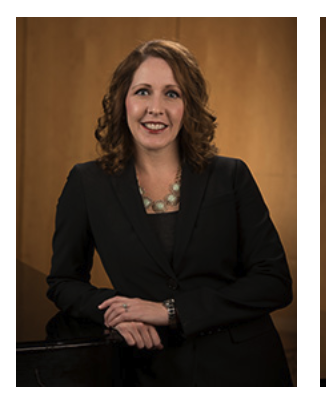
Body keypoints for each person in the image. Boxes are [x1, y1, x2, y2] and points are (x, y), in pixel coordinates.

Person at [46, 40, 293, 386]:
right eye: (143, 91)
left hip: (243, 370)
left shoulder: (231, 176)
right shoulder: (87, 183)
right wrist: (117, 311)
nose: (155, 108)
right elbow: (64, 281)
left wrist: (171, 311)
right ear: (123, 102)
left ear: (188, 106)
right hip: (146, 370)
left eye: (172, 94)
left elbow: (274, 283)